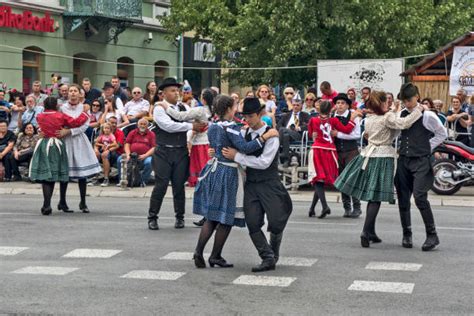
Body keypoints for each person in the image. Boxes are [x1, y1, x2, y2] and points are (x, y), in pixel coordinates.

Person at [192, 96, 278, 269]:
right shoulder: (231, 128)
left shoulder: (214, 126)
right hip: (228, 172)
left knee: (212, 216)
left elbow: (215, 146)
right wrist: (264, 137)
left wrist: (215, 152)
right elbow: (245, 148)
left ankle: (200, 252)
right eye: (235, 106)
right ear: (229, 109)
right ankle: (213, 255)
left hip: (215, 170)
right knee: (225, 216)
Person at [334, 90, 425, 247]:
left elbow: (367, 134)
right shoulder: (386, 117)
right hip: (383, 156)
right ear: (382, 103)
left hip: (368, 155)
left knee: (372, 196)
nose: (388, 103)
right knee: (375, 197)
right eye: (386, 101)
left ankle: (371, 232)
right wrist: (418, 110)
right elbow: (403, 123)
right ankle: (365, 231)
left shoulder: (370, 118)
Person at [222, 97, 292, 272]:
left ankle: (273, 250)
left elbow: (264, 162)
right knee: (252, 222)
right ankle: (267, 257)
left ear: (259, 114)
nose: (247, 120)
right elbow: (227, 149)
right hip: (251, 184)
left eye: (250, 116)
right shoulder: (243, 133)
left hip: (270, 183)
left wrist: (237, 156)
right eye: (244, 116)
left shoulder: (272, 135)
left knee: (276, 221)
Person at [147, 77, 207, 230]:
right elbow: (168, 126)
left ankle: (180, 217)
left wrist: (194, 130)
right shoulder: (159, 108)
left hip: (180, 151)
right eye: (173, 91)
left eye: (177, 91)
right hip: (163, 151)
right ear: (164, 93)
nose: (176, 93)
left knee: (179, 186)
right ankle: (152, 217)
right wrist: (191, 126)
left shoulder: (183, 107)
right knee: (160, 185)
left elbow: (194, 121)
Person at [394, 83, 448, 251]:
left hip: (421, 161)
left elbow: (442, 133)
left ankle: (432, 235)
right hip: (404, 160)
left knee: (420, 197)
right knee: (403, 198)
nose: (407, 104)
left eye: (409, 100)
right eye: (404, 101)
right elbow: (395, 133)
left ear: (416, 97)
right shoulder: (401, 114)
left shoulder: (428, 115)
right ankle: (407, 234)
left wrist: (427, 146)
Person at [29, 97, 89, 215]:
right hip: (56, 144)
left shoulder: (39, 116)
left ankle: (47, 204)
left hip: (43, 143)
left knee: (46, 175)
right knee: (55, 173)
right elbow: (75, 122)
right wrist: (85, 113)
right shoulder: (60, 116)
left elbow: (40, 128)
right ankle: (51, 204)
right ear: (56, 105)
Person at [307, 100, 357, 218]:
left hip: (318, 150)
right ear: (331, 110)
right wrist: (353, 119)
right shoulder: (334, 120)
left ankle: (324, 206)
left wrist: (314, 134)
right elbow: (347, 129)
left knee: (317, 179)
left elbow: (310, 134)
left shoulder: (313, 120)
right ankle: (312, 208)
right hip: (330, 151)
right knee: (320, 180)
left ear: (318, 109)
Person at [57, 84, 101, 213]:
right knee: (65, 173)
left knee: (82, 174)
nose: (73, 93)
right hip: (65, 142)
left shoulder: (84, 108)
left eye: (75, 91)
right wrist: (63, 132)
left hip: (79, 140)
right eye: (70, 91)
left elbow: (85, 125)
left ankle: (83, 202)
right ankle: (62, 201)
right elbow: (59, 123)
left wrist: (70, 131)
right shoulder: (62, 108)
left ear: (80, 94)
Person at [329, 93, 362, 218]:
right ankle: (347, 207)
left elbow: (356, 134)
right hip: (338, 152)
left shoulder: (353, 116)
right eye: (338, 103)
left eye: (342, 103)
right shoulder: (333, 116)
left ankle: (357, 207)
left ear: (347, 105)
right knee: (342, 179)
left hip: (351, 151)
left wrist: (338, 135)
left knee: (352, 178)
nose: (340, 105)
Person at [117, 118, 155, 186]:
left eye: (144, 124)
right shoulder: (132, 132)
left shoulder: (151, 134)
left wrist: (145, 155)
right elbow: (127, 144)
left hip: (145, 156)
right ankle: (122, 180)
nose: (142, 126)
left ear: (147, 125)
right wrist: (128, 155)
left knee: (149, 162)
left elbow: (154, 147)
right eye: (141, 124)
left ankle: (142, 181)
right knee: (120, 159)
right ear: (137, 125)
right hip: (131, 155)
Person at [277, 92, 310, 166]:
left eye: (298, 105)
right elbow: (278, 126)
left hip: (298, 135)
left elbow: (310, 126)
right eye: (294, 105)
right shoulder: (287, 115)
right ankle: (286, 158)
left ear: (301, 105)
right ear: (292, 104)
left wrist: (298, 128)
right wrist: (287, 129)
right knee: (285, 134)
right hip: (286, 136)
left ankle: (277, 152)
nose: (295, 107)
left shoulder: (305, 115)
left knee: (282, 130)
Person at [94, 122, 118, 187]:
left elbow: (115, 144)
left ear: (110, 129)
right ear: (103, 129)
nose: (106, 130)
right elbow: (96, 143)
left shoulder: (111, 136)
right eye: (105, 128)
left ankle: (106, 179)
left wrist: (108, 146)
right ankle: (95, 177)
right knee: (96, 155)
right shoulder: (101, 136)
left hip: (109, 151)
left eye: (108, 128)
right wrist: (101, 144)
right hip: (102, 149)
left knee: (104, 155)